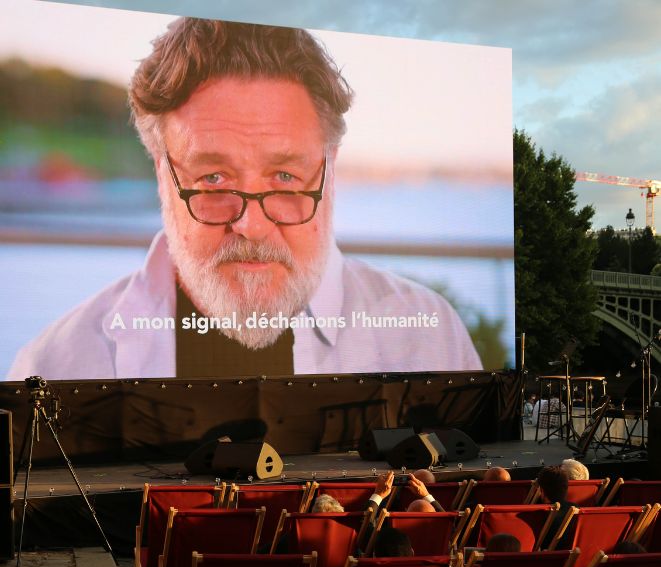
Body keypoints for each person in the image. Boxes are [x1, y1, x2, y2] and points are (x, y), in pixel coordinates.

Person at [8, 18, 481, 381]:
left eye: (285, 175)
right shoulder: (55, 367)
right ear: (161, 172)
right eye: (213, 177)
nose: (251, 226)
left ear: (330, 170)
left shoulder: (429, 340)